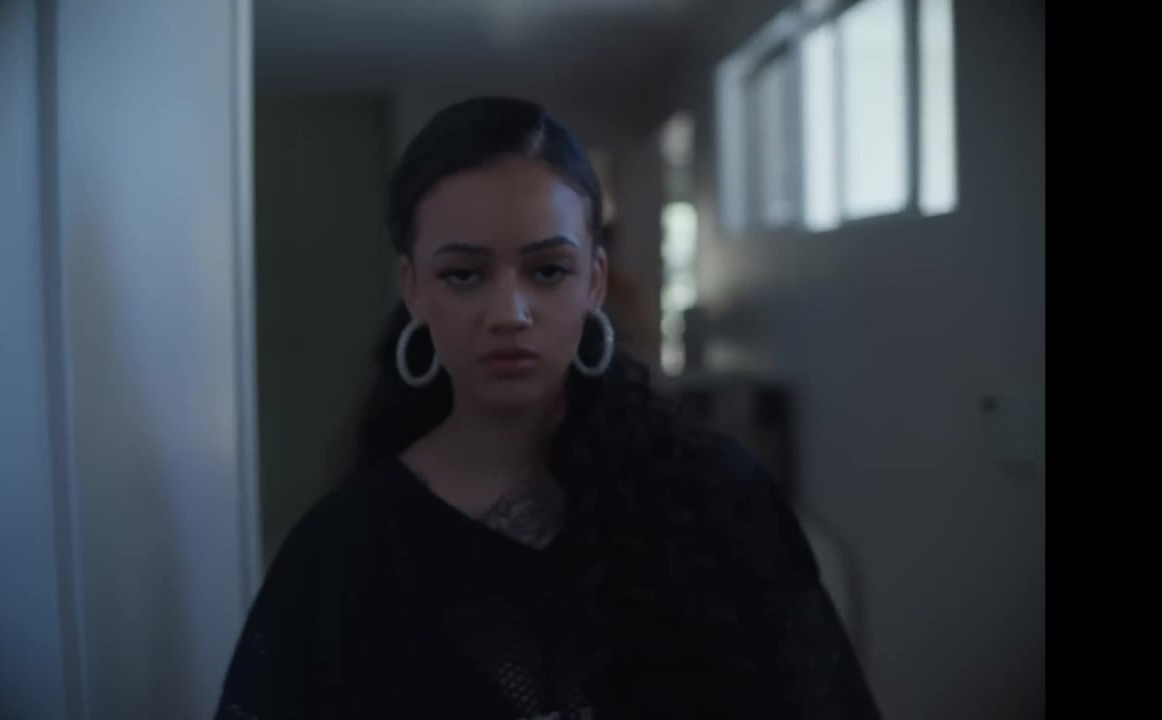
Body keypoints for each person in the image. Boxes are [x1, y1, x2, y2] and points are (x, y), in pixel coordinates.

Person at [216, 97, 881, 720]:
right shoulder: (342, 553)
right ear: (413, 287)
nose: (510, 313)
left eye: (547, 271)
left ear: (594, 280)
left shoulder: (720, 497)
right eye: (464, 275)